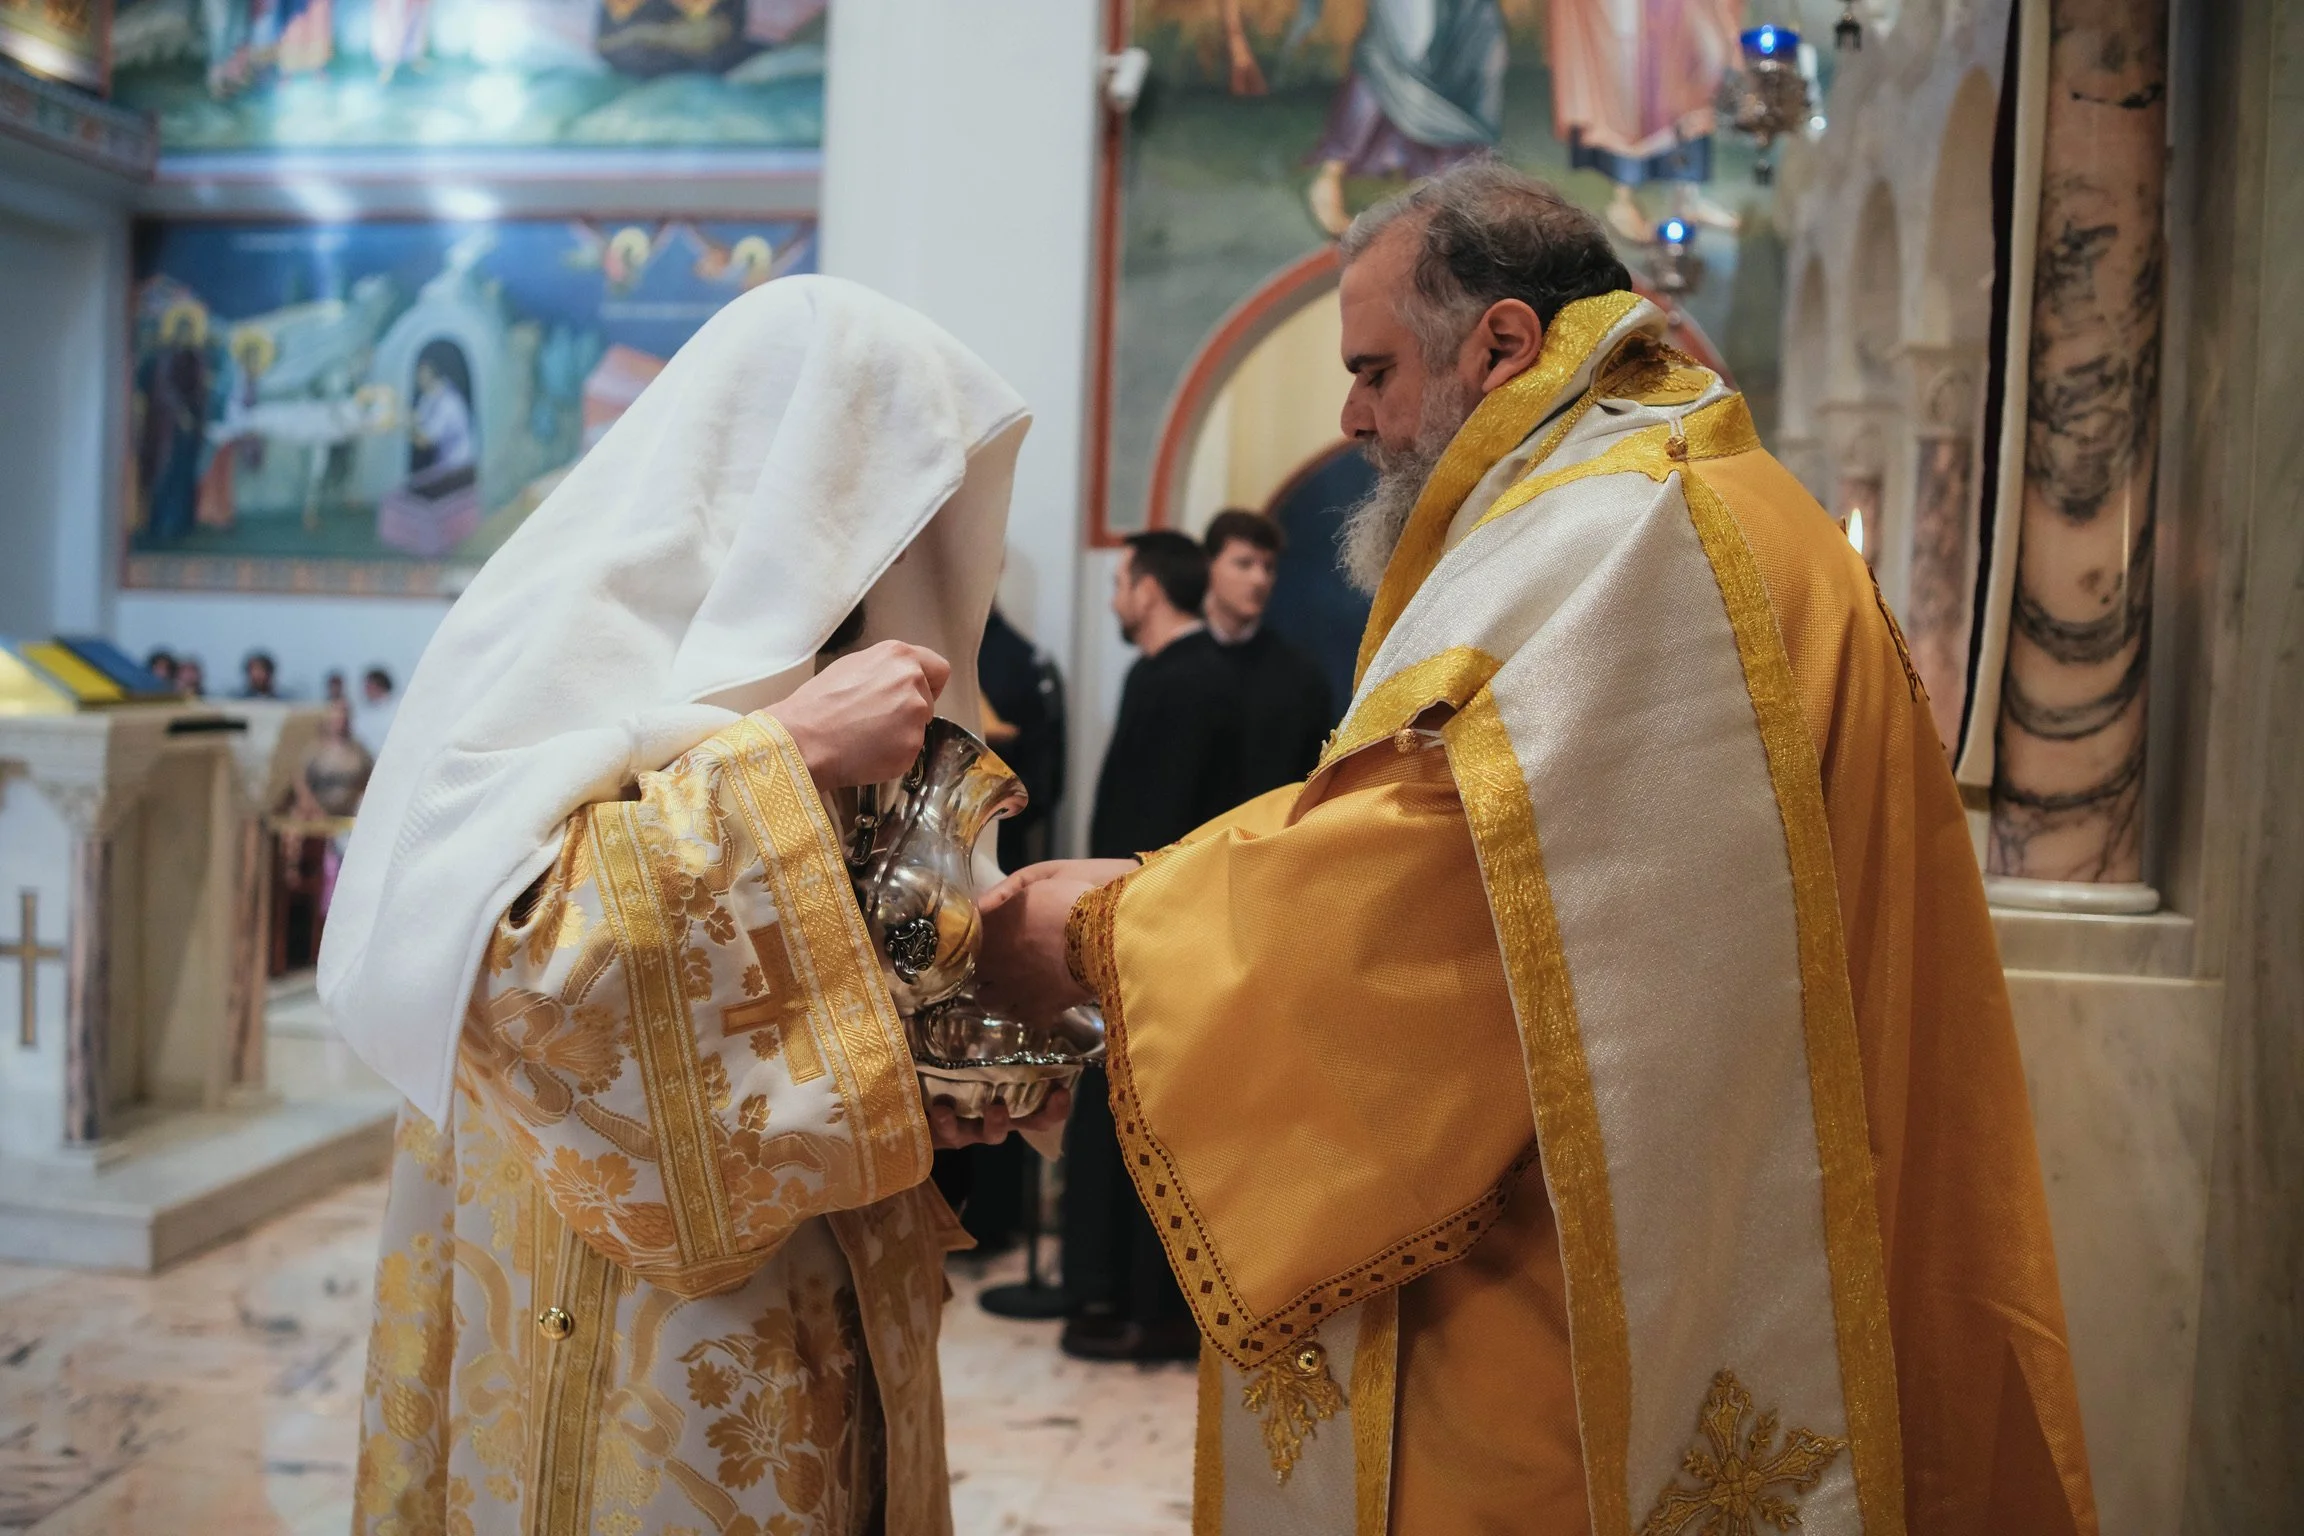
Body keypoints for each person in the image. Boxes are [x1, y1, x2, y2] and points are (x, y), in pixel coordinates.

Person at [978, 161, 2097, 1532]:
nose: (1355, 415)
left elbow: (1458, 885)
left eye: (1376, 368)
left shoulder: (1634, 533)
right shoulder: (1671, 498)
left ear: (1503, 343)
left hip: (1576, 1299)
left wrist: (1109, 934)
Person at [320, 276, 1064, 1536]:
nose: (910, 544)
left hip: (834, 1273)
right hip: (620, 1305)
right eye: (884, 492)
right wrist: (782, 753)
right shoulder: (567, 641)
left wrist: (932, 1077)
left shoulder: (852, 665)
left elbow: (847, 962)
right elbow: (520, 968)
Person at [1058, 531, 1243, 1363]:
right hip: (1149, 927)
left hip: (1156, 936)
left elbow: (1163, 821)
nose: (1112, 598)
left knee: (1143, 1121)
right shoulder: (1170, 673)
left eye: (1121, 582)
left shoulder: (1193, 680)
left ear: (1149, 590)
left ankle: (1141, 1306)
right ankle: (1123, 1299)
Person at [1201, 509, 1333, 793]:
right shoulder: (1174, 666)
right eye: (1244, 564)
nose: (1260, 579)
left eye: (1269, 567)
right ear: (1208, 566)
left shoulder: (1300, 676)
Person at [352, 666, 397, 755]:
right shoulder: (362, 713)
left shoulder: (395, 709)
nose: (365, 690)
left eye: (368, 686)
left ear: (378, 686)